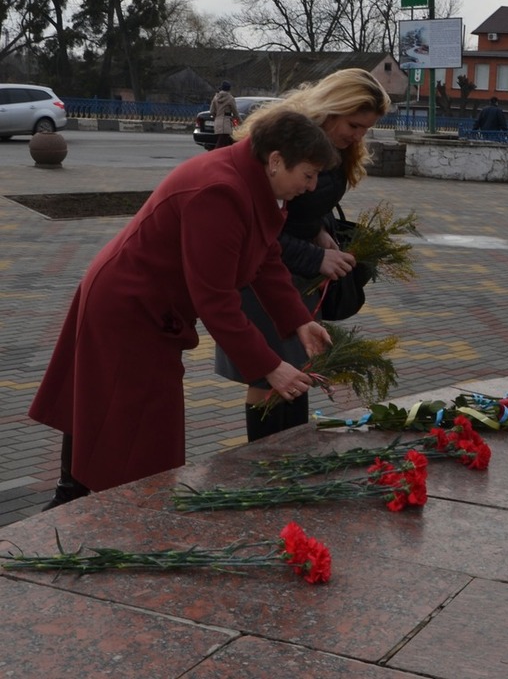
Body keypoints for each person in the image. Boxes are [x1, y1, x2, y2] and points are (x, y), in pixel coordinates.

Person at [30, 108, 340, 508]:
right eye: (309, 175)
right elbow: (215, 300)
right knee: (132, 420)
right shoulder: (221, 191)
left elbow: (265, 260)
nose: (312, 187)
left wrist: (299, 322)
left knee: (112, 410)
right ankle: (99, 508)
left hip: (146, 304)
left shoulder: (254, 181)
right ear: (277, 160)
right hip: (129, 306)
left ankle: (75, 499)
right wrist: (269, 366)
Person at [214, 68, 392, 442]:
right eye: (355, 125)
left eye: (366, 129)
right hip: (265, 274)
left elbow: (303, 210)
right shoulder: (288, 140)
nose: (359, 136)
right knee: (268, 377)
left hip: (295, 275)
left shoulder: (336, 148)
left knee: (298, 370)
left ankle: (291, 451)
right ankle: (263, 461)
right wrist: (315, 258)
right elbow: (261, 229)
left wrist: (320, 232)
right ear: (333, 108)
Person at [210, 80, 240, 149]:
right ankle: (215, 157)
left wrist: (217, 117)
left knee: (225, 144)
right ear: (229, 89)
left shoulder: (215, 97)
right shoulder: (230, 98)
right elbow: (235, 112)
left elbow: (212, 111)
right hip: (226, 124)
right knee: (221, 145)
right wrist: (240, 121)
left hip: (217, 123)